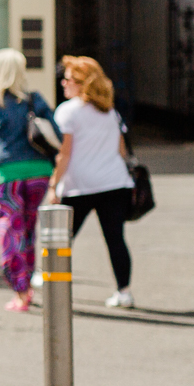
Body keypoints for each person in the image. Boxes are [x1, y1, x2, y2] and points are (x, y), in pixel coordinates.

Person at [0, 48, 59, 312]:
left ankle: (21, 291)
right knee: (29, 232)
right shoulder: (35, 100)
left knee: (10, 231)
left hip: (6, 175)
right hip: (38, 173)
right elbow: (56, 133)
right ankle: (27, 284)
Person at [50, 55, 137, 309]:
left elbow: (64, 153)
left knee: (61, 237)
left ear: (81, 83)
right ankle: (124, 291)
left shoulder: (68, 111)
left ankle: (47, 281)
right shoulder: (109, 111)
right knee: (115, 239)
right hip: (114, 183)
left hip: (80, 185)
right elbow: (122, 150)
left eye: (67, 79)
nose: (63, 84)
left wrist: (54, 186)